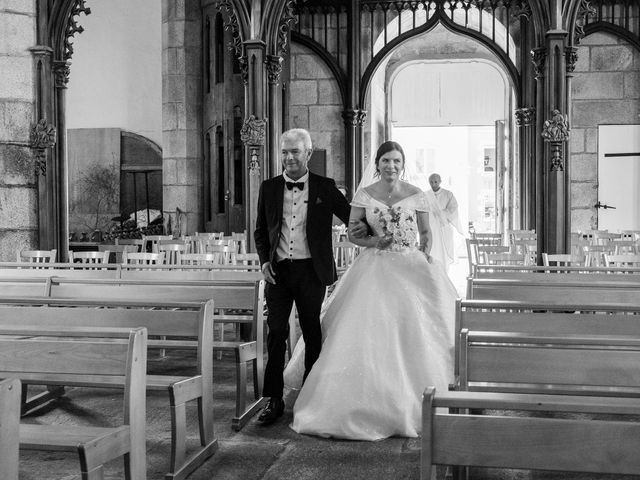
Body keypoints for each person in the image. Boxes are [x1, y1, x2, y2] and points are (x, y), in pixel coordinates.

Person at [285, 140, 458, 440]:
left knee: (417, 329)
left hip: (410, 265)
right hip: (374, 265)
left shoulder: (417, 195)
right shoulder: (364, 196)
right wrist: (372, 241)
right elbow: (354, 234)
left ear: (403, 164)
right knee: (365, 329)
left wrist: (424, 252)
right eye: (386, 161)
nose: (391, 166)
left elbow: (426, 233)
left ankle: (423, 398)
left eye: (396, 161)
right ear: (376, 164)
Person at [254, 128, 367, 426]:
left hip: (311, 272)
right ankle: (273, 399)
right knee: (276, 332)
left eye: (295, 152)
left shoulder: (325, 187)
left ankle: (311, 394)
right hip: (278, 272)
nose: (289, 157)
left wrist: (381, 227)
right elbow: (260, 231)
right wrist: (264, 260)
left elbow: (352, 218)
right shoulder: (268, 187)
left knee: (311, 331)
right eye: (284, 151)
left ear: (308, 153)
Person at [426, 173, 463, 272]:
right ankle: (432, 271)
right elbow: (423, 209)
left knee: (443, 250)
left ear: (440, 181)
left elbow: (453, 207)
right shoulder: (426, 195)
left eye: (435, 181)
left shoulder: (448, 194)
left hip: (444, 225)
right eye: (431, 182)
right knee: (432, 248)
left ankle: (444, 270)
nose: (433, 184)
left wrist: (441, 213)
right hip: (431, 225)